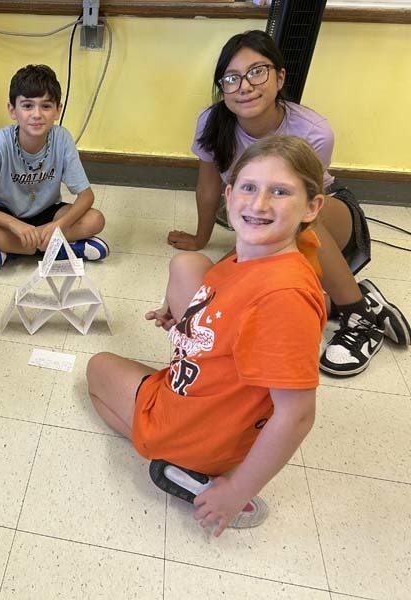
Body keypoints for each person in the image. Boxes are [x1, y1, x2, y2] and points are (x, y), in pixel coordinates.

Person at [88, 135, 329, 536]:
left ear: (312, 206)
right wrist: (189, 318)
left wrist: (237, 490)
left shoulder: (284, 298)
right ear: (230, 194)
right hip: (223, 401)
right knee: (189, 264)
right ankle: (182, 448)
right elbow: (225, 291)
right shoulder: (265, 253)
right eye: (250, 188)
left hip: (204, 426)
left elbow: (298, 414)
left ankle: (184, 464)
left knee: (98, 371)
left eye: (280, 192)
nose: (259, 204)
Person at [167, 30, 409, 376]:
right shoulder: (212, 121)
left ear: (280, 77)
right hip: (264, 219)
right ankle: (347, 298)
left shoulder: (313, 132)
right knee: (245, 291)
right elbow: (208, 188)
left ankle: (360, 316)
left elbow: (303, 205)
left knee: (295, 222)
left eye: (257, 72)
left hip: (325, 215)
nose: (245, 86)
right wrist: (200, 238)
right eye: (232, 78)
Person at [0, 64, 109, 271]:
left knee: (95, 219)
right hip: (6, 215)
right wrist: (14, 224)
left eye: (46, 106)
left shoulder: (62, 139)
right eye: (27, 106)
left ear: (58, 110)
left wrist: (59, 225)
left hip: (47, 211)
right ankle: (57, 248)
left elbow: (86, 196)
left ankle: (9, 249)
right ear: (12, 110)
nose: (37, 114)